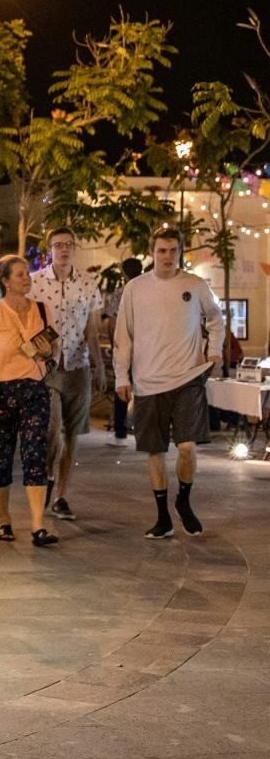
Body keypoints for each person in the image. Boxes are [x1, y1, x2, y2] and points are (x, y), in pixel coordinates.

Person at [114, 228, 225, 539]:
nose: (167, 256)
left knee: (187, 447)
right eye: (161, 250)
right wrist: (122, 377)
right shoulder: (135, 289)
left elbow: (216, 320)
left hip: (188, 377)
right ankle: (162, 516)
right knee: (155, 452)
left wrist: (213, 350)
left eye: (173, 250)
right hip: (148, 382)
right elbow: (123, 336)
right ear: (152, 252)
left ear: (180, 252)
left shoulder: (195, 285)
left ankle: (184, 501)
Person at [0, 254, 59, 547]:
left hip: (34, 389)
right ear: (6, 281)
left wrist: (45, 350)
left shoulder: (42, 309)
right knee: (2, 456)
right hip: (2, 392)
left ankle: (38, 525)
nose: (27, 279)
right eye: (20, 275)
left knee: (35, 452)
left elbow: (51, 352)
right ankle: (4, 520)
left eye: (28, 274)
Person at [29, 227, 103, 521]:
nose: (63, 250)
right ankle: (46, 477)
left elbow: (92, 328)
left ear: (75, 248)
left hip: (77, 365)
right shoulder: (35, 283)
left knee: (72, 433)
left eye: (68, 245)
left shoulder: (88, 283)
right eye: (58, 245)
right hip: (47, 367)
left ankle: (61, 494)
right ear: (50, 250)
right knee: (52, 429)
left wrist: (98, 364)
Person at [99, 257, 142, 444]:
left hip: (125, 348)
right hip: (147, 349)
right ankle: (145, 430)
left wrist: (114, 345)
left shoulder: (118, 294)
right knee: (147, 389)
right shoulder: (148, 291)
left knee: (122, 389)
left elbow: (113, 325)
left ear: (123, 273)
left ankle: (120, 431)